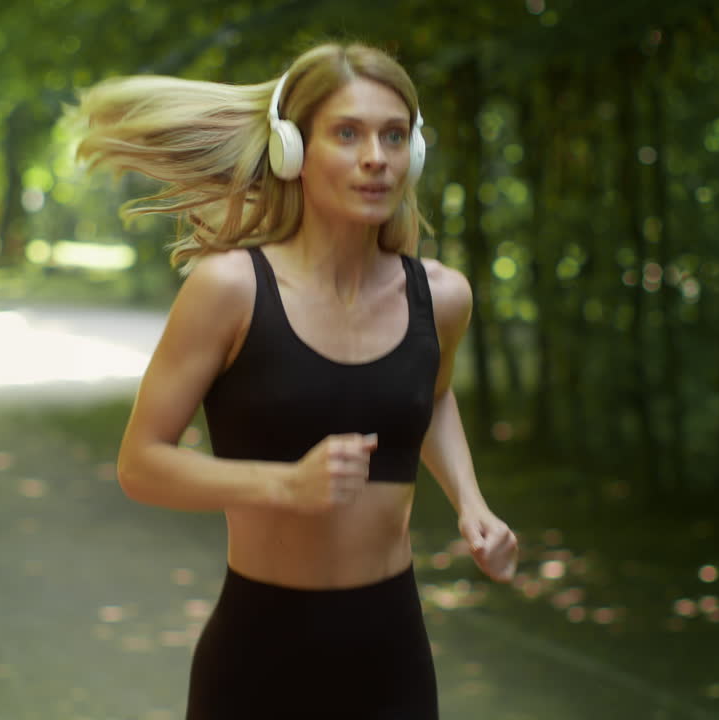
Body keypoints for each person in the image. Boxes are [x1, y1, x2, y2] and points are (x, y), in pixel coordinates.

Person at [75, 42, 519, 719]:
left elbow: (429, 394)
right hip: (259, 661)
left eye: (394, 136)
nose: (376, 156)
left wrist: (471, 501)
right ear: (293, 150)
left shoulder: (442, 297)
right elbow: (141, 464)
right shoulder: (230, 289)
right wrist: (282, 483)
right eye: (348, 133)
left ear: (414, 154)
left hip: (391, 660)